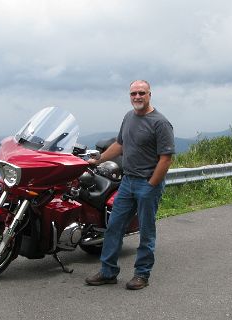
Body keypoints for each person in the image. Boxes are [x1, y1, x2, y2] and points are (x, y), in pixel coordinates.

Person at [85, 80, 175, 290]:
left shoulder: (160, 123)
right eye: (133, 93)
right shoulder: (129, 117)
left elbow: (166, 159)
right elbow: (120, 145)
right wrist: (98, 160)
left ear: (150, 94)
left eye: (141, 93)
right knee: (114, 227)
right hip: (127, 182)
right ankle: (108, 272)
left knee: (146, 230)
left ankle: (142, 274)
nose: (137, 97)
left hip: (147, 184)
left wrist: (152, 184)